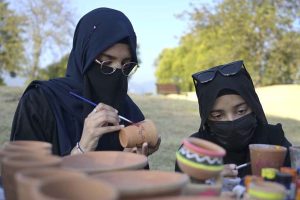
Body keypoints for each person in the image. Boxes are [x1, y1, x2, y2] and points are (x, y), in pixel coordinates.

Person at [10, 7, 160, 157]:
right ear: (84, 58)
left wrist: (130, 162)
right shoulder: (40, 102)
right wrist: (83, 148)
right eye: (106, 63)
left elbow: (132, 178)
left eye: (126, 65)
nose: (117, 73)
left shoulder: (130, 113)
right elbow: (21, 175)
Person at [175, 60, 291, 178]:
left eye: (241, 111)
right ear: (206, 117)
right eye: (218, 116)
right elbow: (179, 192)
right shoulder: (194, 151)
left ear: (253, 106)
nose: (231, 121)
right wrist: (207, 179)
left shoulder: (274, 141)